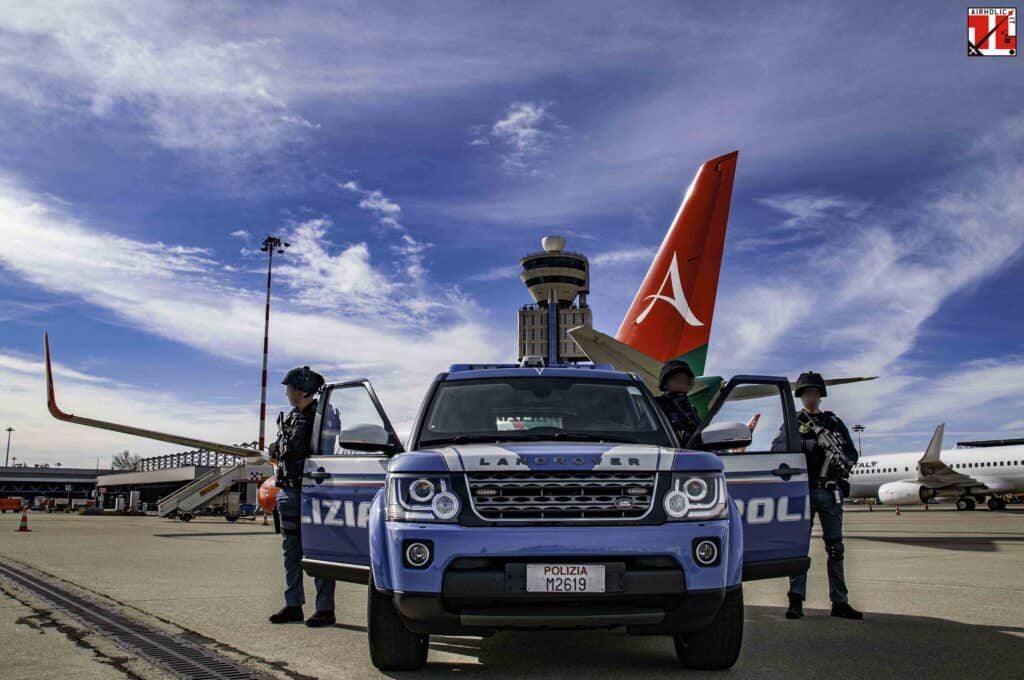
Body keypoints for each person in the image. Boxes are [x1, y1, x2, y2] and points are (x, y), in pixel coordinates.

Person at [785, 371, 863, 621]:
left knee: (836, 549)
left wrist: (841, 460)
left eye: (815, 392)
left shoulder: (833, 423)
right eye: (807, 392)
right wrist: (810, 446)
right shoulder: (793, 422)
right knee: (799, 549)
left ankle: (839, 601)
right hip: (803, 491)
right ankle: (795, 600)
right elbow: (779, 451)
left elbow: (851, 453)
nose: (811, 396)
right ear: (801, 396)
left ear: (820, 395)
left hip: (830, 492)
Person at [267, 366, 337, 627]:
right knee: (291, 551)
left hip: (312, 490)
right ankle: (293, 604)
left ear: (302, 389)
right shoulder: (294, 417)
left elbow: (294, 450)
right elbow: (280, 448)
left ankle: (325, 608)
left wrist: (281, 447)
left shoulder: (321, 418)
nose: (287, 393)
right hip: (289, 490)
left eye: (290, 388)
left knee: (319, 551)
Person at [655, 359, 701, 446]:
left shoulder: (690, 409)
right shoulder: (657, 404)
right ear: (665, 383)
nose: (681, 382)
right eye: (676, 378)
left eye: (685, 379)